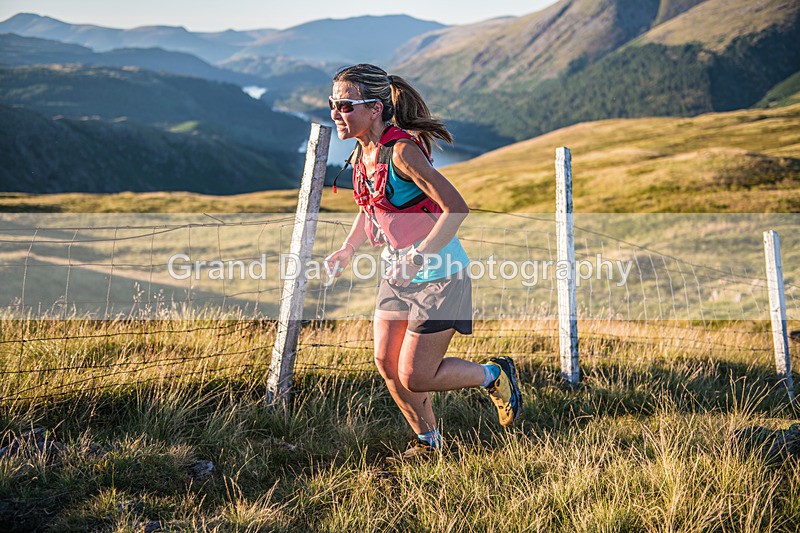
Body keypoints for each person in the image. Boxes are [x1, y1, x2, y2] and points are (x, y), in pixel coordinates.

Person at [324, 64, 522, 461]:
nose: (335, 113)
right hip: (398, 274)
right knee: (386, 363)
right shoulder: (364, 153)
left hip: (441, 274)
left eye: (345, 105)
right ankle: (429, 443)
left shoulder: (403, 152)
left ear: (376, 108)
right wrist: (348, 248)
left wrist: (415, 257)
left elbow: (456, 209)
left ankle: (494, 375)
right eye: (332, 103)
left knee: (416, 375)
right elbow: (372, 208)